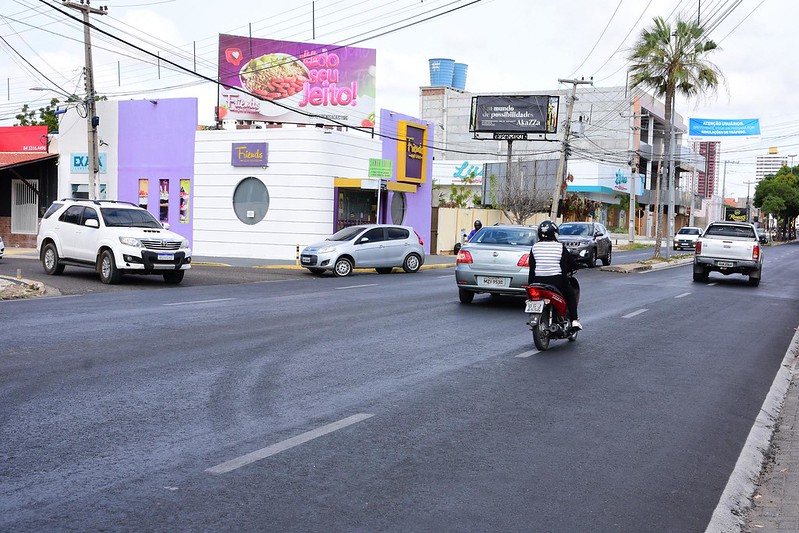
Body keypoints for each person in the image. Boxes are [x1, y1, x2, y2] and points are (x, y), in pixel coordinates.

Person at [527, 220, 582, 330]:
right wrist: (578, 265)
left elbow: (532, 269)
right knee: (570, 295)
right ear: (555, 233)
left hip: (537, 282)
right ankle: (574, 320)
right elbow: (571, 263)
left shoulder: (535, 247)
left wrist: (531, 284)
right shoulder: (560, 247)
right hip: (557, 281)